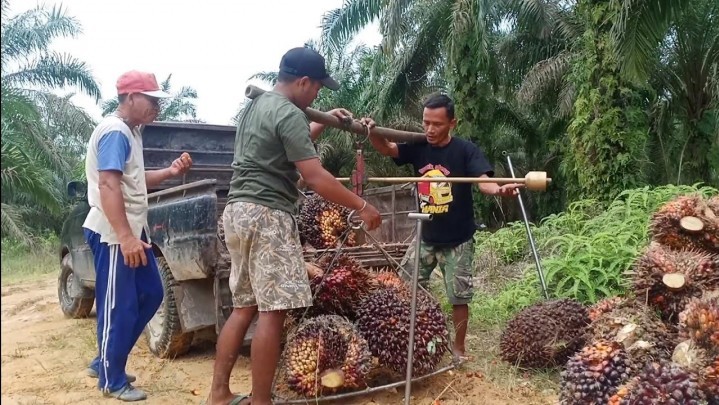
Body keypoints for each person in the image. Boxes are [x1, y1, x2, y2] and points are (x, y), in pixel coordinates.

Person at [207, 47, 382, 405]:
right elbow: (315, 177)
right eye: (317, 87)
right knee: (274, 311)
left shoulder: (257, 106)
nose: (318, 94)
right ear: (303, 81)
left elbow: (283, 150)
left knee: (244, 307)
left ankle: (219, 394)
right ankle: (262, 402)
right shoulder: (288, 113)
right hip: (268, 215)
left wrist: (319, 121)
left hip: (237, 212)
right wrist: (362, 205)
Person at [364, 93, 520, 363]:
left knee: (458, 297)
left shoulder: (465, 150)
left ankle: (458, 349)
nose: (429, 129)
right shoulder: (418, 145)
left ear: (452, 123)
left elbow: (483, 182)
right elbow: (387, 148)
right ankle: (408, 338)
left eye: (436, 124)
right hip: (426, 235)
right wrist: (372, 132)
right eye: (425, 123)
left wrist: (499, 189)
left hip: (458, 238)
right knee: (403, 288)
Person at [82, 70, 193, 401]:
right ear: (131, 98)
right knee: (120, 306)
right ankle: (112, 379)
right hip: (114, 235)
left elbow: (131, 178)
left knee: (151, 294)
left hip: (129, 232)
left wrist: (171, 172)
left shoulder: (131, 132)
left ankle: (106, 362)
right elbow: (107, 184)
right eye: (151, 99)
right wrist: (126, 237)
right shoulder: (116, 132)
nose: (156, 106)